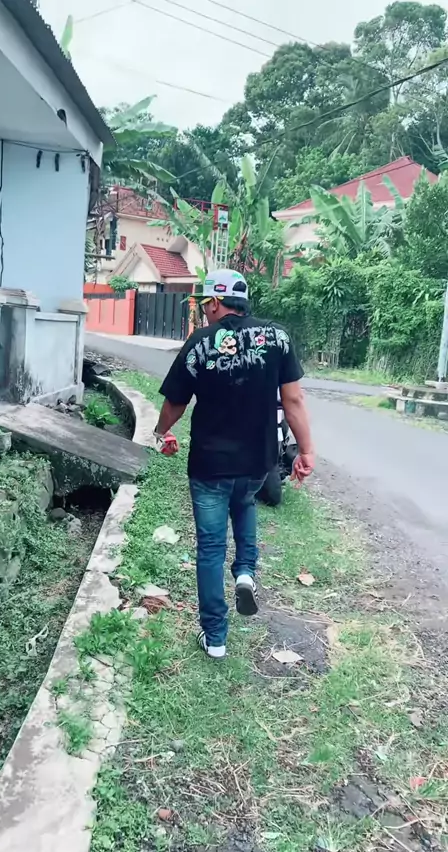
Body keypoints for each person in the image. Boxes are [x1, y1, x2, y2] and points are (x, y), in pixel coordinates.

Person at [154, 269, 314, 659]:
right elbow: (293, 401)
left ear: (213, 303)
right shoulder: (277, 338)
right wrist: (306, 451)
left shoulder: (200, 343)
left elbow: (176, 401)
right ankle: (245, 572)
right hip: (258, 460)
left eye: (204, 304)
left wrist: (161, 432)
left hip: (210, 463)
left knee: (210, 548)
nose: (204, 311)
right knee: (244, 503)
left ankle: (215, 638)